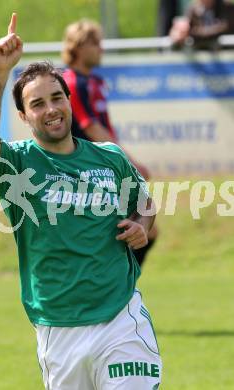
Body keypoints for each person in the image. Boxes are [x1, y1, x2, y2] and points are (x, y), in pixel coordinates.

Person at [0, 13, 162, 390]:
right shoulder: (18, 165)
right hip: (58, 331)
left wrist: (142, 224)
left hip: (121, 320)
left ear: (69, 101)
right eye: (37, 104)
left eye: (57, 97)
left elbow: (146, 202)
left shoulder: (110, 158)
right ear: (24, 117)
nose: (51, 108)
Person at [61, 19, 158, 268]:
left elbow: (104, 128)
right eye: (96, 43)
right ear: (79, 47)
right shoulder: (72, 82)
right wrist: (131, 163)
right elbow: (91, 127)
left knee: (145, 227)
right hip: (86, 172)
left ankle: (121, 281)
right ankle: (117, 282)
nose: (101, 49)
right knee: (127, 227)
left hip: (105, 166)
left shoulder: (95, 82)